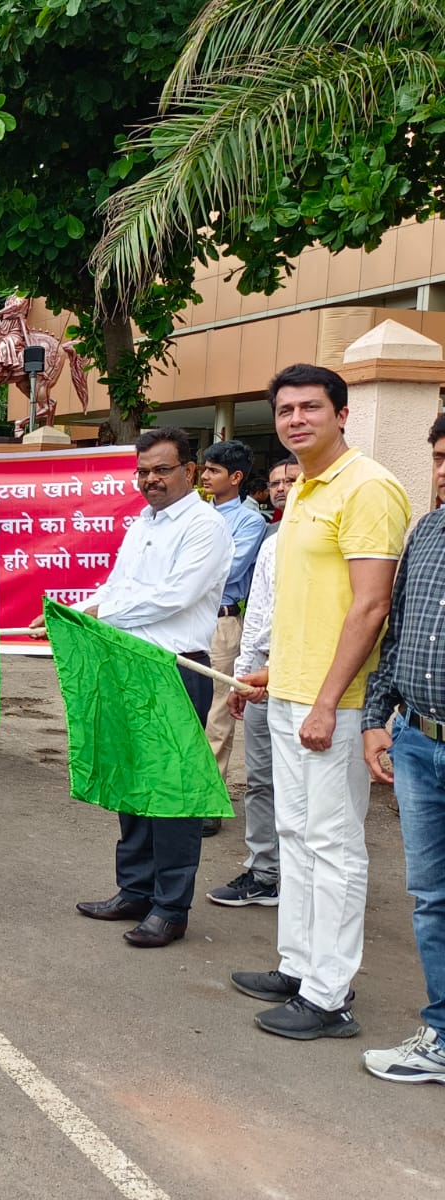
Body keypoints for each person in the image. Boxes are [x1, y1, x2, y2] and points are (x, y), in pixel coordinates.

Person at [233, 363, 410, 1039]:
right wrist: (274, 674)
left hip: (334, 705)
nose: (296, 419)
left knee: (334, 846)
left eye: (311, 407)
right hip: (293, 694)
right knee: (295, 836)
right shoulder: (304, 487)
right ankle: (300, 966)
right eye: (285, 410)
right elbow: (312, 606)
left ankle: (329, 995)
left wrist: (328, 701)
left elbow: (370, 607)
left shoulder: (368, 487)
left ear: (343, 415)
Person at [41, 426, 230, 949]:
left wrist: (101, 609)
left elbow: (176, 595)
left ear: (188, 471)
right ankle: (136, 889)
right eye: (144, 471)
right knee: (133, 783)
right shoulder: (142, 523)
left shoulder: (205, 525)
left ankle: (171, 907)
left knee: (172, 791)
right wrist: (72, 612)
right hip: (130, 665)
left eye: (162, 470)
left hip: (175, 668)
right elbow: (118, 588)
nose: (151, 480)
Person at [361, 414, 445, 1081]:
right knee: (431, 896)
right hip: (418, 741)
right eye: (438, 457)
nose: (442, 472)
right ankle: (442, 1035)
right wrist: (376, 716)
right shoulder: (428, 533)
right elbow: (396, 636)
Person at [212, 459, 301, 908]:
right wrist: (242, 675)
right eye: (277, 482)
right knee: (262, 779)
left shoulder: (324, 536)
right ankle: (264, 871)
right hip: (261, 670)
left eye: (293, 480)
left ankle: (303, 879)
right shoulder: (270, 537)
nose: (283, 488)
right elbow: (259, 614)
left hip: (306, 677)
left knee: (302, 783)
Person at [199, 439, 269, 836]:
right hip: (182, 621)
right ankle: (182, 788)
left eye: (213, 470)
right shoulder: (191, 513)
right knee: (182, 704)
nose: (205, 476)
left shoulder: (248, 521)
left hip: (221, 622)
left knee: (217, 713)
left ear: (236, 477)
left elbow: (225, 570)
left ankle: (210, 797)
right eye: (205, 469)